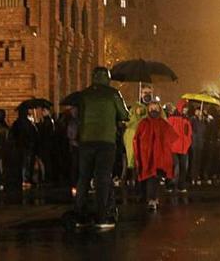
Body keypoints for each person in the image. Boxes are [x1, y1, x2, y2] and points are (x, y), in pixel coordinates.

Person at [62, 67, 129, 230]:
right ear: (107, 78)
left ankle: (79, 215)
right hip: (106, 141)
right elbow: (124, 114)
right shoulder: (113, 94)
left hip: (86, 141)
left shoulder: (84, 95)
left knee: (83, 178)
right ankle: (102, 216)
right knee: (103, 178)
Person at [133, 101, 178, 211]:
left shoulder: (163, 123)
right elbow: (137, 140)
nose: (153, 110)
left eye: (156, 108)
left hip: (160, 156)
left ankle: (152, 198)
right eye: (151, 108)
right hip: (147, 155)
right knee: (150, 177)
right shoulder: (143, 123)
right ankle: (151, 198)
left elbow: (172, 138)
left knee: (155, 177)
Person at [168, 100, 193, 193]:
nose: (185, 110)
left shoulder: (186, 120)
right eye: (184, 108)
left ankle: (181, 185)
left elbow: (189, 133)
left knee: (183, 167)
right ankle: (171, 184)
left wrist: (188, 142)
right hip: (174, 147)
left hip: (184, 147)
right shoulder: (172, 119)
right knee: (176, 167)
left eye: (186, 108)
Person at [10, 107, 38, 189]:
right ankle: (26, 179)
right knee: (27, 164)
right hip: (27, 147)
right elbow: (34, 135)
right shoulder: (29, 124)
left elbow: (12, 135)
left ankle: (21, 179)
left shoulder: (16, 123)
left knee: (21, 163)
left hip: (19, 147)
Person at [123, 104, 147, 188]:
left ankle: (135, 182)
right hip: (132, 147)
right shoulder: (131, 125)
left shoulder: (144, 121)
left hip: (140, 147)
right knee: (131, 163)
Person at [37, 107, 56, 184]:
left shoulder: (47, 122)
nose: (42, 112)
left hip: (46, 145)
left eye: (44, 111)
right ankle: (47, 176)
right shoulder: (47, 122)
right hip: (47, 145)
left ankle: (47, 177)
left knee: (47, 162)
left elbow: (45, 133)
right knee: (47, 161)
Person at [190, 107, 207, 185]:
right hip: (194, 142)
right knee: (194, 160)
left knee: (199, 160)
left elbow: (204, 130)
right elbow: (192, 129)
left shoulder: (202, 120)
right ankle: (193, 176)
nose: (199, 112)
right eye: (197, 111)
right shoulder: (192, 119)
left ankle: (197, 176)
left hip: (200, 142)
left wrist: (201, 121)